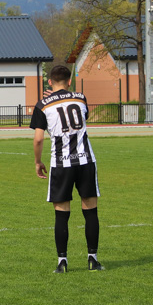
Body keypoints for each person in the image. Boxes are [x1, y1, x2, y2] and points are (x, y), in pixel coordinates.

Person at [30, 64, 103, 273]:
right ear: (70, 81)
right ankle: (93, 259)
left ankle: (62, 262)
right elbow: (77, 118)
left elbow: (37, 139)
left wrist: (37, 162)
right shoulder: (80, 98)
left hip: (61, 164)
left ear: (49, 82)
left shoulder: (42, 104)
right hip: (85, 160)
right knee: (90, 211)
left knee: (62, 213)